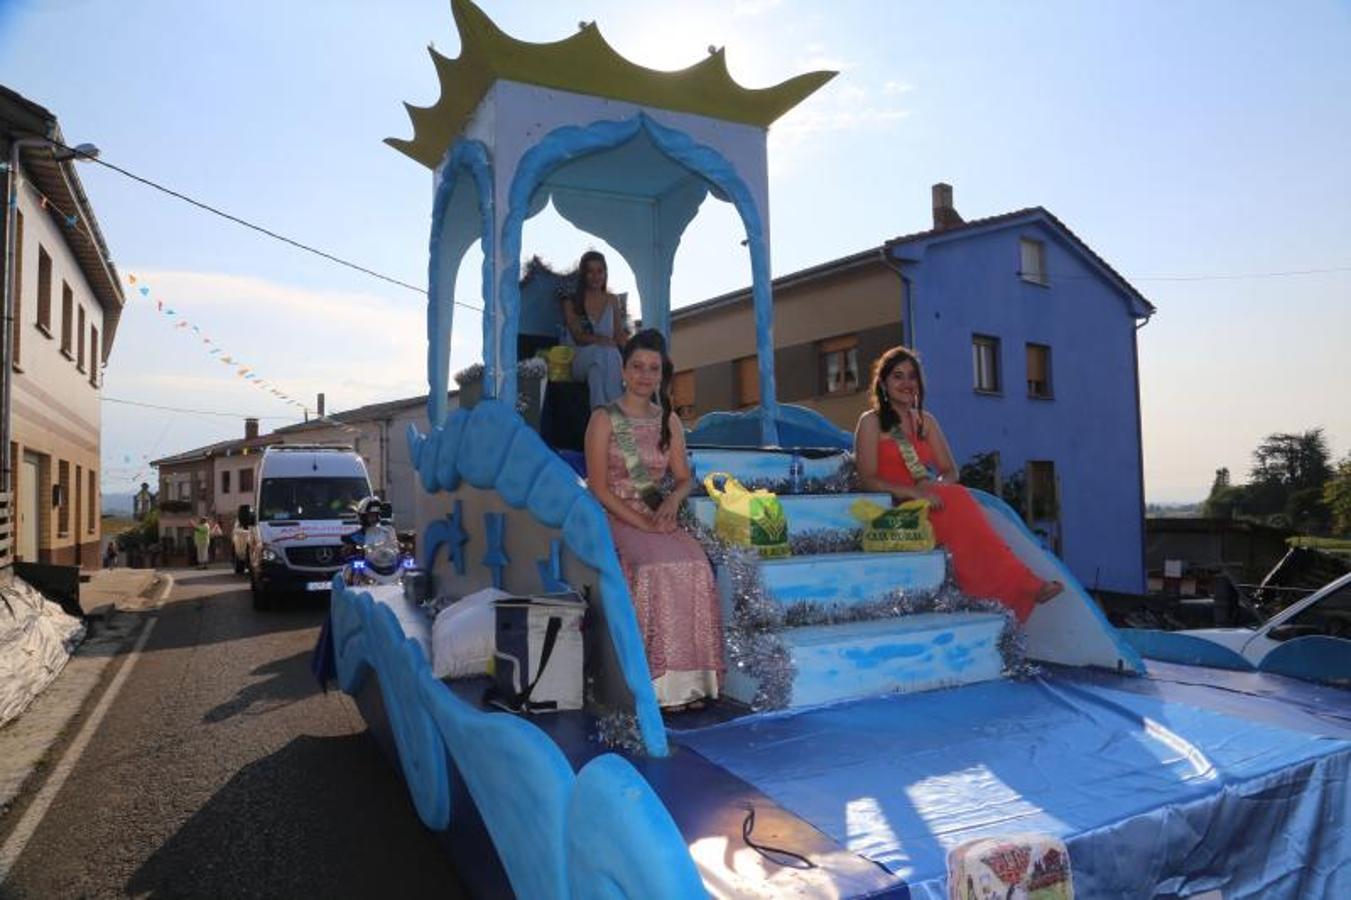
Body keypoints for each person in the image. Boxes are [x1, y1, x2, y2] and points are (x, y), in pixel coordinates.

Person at [854, 346, 1063, 623]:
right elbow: (866, 479)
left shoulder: (925, 422)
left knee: (958, 496)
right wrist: (914, 493)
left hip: (928, 503)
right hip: (891, 509)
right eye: (898, 376)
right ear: (882, 383)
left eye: (912, 377)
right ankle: (1019, 587)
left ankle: (1013, 588)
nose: (906, 384)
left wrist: (934, 488)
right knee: (959, 503)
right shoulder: (871, 422)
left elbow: (951, 471)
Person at [584, 329, 723, 710]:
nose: (645, 375)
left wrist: (673, 501)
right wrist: (643, 524)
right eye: (637, 367)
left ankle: (692, 683)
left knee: (695, 563)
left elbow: (682, 478)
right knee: (652, 568)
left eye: (654, 369)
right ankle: (656, 687)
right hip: (614, 515)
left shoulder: (670, 421)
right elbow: (598, 488)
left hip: (656, 512)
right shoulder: (604, 419)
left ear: (662, 375)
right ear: (624, 372)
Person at [563, 250, 628, 409]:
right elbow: (578, 337)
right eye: (590, 271)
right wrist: (603, 341)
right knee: (604, 353)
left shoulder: (612, 300)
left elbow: (619, 335)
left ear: (605, 273)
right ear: (583, 275)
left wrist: (635, 352)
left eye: (600, 271)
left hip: (603, 361)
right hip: (579, 360)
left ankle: (600, 424)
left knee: (597, 375)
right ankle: (622, 427)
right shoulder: (571, 301)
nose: (595, 276)